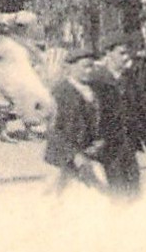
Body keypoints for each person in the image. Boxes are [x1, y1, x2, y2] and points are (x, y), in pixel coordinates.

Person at [89, 35, 146, 198]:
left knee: (134, 189)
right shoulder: (97, 80)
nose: (126, 57)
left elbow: (139, 111)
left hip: (128, 143)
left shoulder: (128, 78)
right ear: (108, 54)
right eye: (122, 53)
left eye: (127, 54)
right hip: (107, 146)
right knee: (116, 190)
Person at [45, 47, 107, 193]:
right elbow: (53, 130)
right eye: (85, 66)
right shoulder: (60, 92)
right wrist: (74, 155)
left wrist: (102, 141)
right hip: (62, 160)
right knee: (57, 197)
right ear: (70, 67)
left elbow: (104, 122)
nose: (90, 70)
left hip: (90, 156)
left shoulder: (96, 91)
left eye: (92, 66)